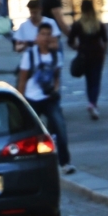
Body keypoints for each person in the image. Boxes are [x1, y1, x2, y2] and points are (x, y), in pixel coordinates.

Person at [17, 21, 74, 174]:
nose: (46, 38)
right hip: (32, 98)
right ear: (37, 37)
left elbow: (57, 77)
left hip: (49, 99)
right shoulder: (29, 55)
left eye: (49, 35)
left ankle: (65, 162)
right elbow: (22, 80)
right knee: (29, 131)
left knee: (60, 126)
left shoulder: (56, 56)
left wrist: (55, 91)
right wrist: (21, 102)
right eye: (43, 34)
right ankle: (27, 163)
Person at [68, 0, 108, 120]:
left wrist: (77, 47)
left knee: (89, 81)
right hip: (97, 54)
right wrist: (104, 52)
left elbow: (70, 40)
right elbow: (105, 39)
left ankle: (91, 102)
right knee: (96, 80)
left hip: (84, 55)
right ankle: (93, 103)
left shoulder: (78, 24)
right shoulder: (98, 23)